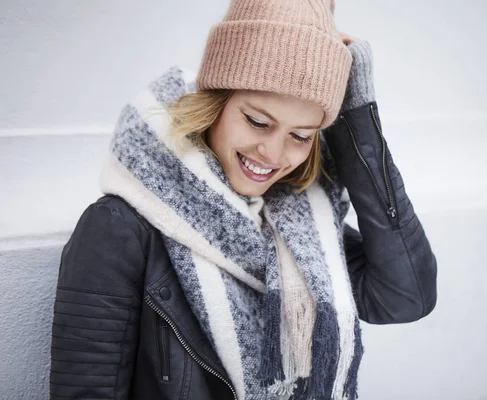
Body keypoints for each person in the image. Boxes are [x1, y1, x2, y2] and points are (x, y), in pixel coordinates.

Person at [49, 1, 437, 399]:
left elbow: (404, 296)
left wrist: (356, 119)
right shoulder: (118, 231)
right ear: (215, 103)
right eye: (257, 121)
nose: (272, 154)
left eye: (301, 136)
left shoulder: (301, 229)